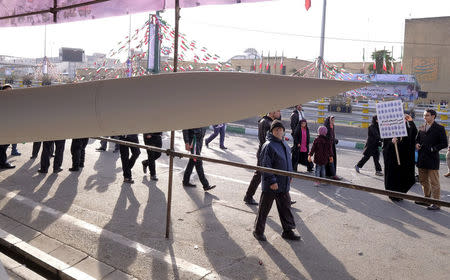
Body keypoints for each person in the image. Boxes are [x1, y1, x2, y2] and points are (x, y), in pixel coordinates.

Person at [253, 120, 300, 242]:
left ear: (284, 131)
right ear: (272, 131)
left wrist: (290, 176)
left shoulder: (284, 144)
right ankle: (258, 231)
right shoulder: (268, 145)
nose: (279, 131)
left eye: (280, 129)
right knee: (264, 209)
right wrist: (272, 181)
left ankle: (288, 231)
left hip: (283, 183)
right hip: (272, 185)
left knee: (286, 207)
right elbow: (265, 165)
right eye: (276, 130)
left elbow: (288, 162)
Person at [244, 111, 280, 205]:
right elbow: (265, 140)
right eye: (278, 111)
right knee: (259, 175)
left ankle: (283, 198)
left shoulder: (268, 121)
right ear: (272, 112)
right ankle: (248, 196)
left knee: (275, 175)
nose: (280, 113)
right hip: (264, 153)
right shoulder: (266, 122)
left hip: (266, 152)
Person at [415, 109, 448, 210]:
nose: (425, 117)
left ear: (433, 116)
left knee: (434, 182)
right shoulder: (421, 127)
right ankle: (426, 199)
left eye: (427, 115)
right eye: (424, 116)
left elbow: (444, 143)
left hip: (432, 159)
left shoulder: (439, 128)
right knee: (423, 180)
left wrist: (433, 148)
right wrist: (416, 144)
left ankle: (436, 203)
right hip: (422, 158)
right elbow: (417, 139)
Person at [382, 114, 417, 202]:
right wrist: (391, 141)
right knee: (392, 176)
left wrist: (411, 122)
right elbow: (385, 142)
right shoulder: (390, 128)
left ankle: (400, 193)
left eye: (404, 119)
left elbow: (413, 135)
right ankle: (392, 194)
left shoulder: (407, 128)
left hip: (403, 157)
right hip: (392, 157)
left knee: (402, 176)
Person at [182, 127, 216, 191]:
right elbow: (185, 129)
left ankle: (185, 181)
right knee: (198, 162)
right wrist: (186, 142)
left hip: (200, 139)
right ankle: (205, 185)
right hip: (193, 140)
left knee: (192, 161)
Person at [0, 85, 15, 169]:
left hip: (8, 127)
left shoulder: (12, 101)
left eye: (11, 91)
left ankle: (2, 162)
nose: (9, 92)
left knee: (4, 146)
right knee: (2, 147)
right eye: (7, 91)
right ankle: (3, 163)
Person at [324, 116, 340, 180]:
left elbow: (332, 136)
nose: (333, 121)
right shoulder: (326, 127)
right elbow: (327, 137)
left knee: (331, 160)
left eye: (333, 120)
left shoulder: (332, 126)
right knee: (330, 160)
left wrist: (334, 140)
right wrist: (333, 140)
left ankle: (330, 173)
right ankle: (332, 174)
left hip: (332, 146)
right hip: (328, 146)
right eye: (332, 120)